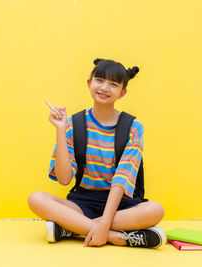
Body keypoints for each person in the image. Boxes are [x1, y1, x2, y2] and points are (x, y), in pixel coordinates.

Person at [28, 58, 166, 248]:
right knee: (36, 199)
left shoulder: (133, 127)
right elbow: (64, 179)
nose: (104, 88)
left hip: (121, 205)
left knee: (155, 210)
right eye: (99, 80)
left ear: (122, 93)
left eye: (113, 84)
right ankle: (117, 237)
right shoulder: (72, 125)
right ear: (89, 83)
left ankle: (72, 228)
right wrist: (60, 130)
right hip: (82, 202)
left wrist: (104, 222)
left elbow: (122, 178)